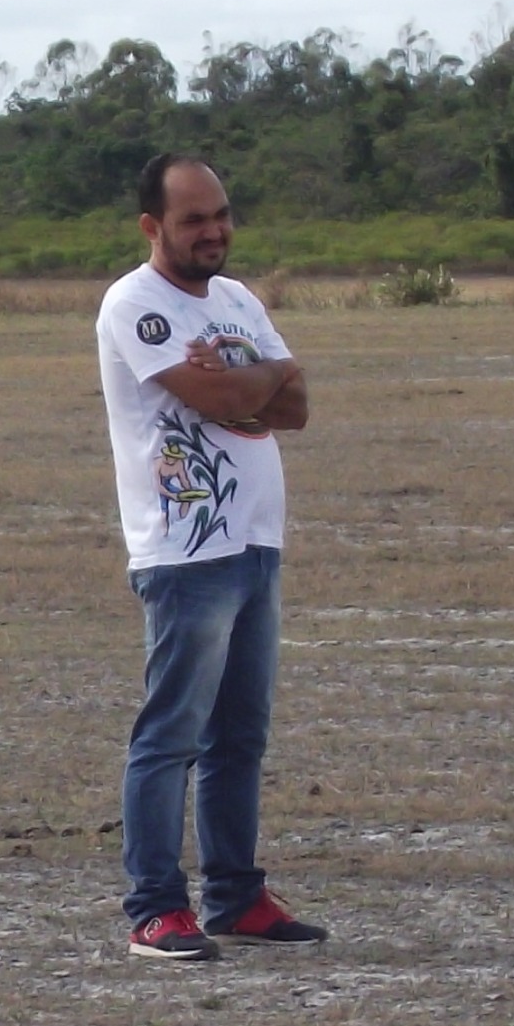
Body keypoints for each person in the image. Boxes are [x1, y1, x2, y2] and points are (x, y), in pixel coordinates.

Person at [96, 153, 329, 962]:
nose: (213, 231)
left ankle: (235, 896)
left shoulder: (235, 300)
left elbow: (295, 407)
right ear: (152, 226)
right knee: (172, 734)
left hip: (256, 539)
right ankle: (156, 909)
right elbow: (230, 399)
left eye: (221, 214)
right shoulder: (135, 303)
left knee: (240, 736)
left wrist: (252, 375)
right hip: (187, 548)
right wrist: (258, 375)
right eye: (193, 219)